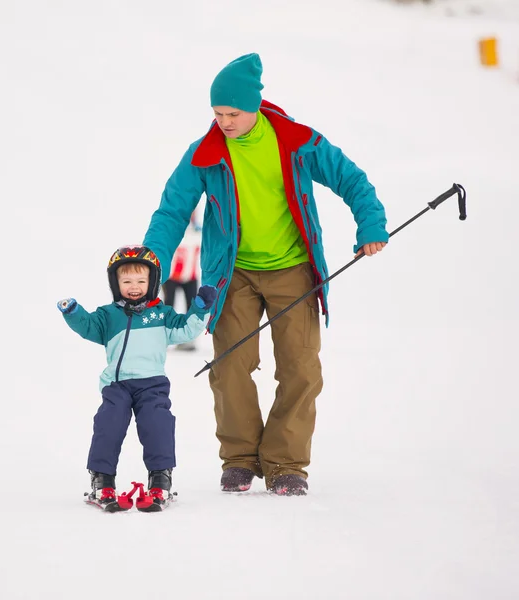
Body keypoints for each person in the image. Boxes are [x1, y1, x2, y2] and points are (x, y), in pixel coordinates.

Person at [143, 53, 388, 497]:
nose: (224, 122)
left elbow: (350, 178)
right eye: (217, 114)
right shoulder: (206, 152)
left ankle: (285, 463)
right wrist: (151, 262)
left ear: (254, 105)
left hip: (293, 267)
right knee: (229, 363)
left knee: (300, 367)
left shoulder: (295, 140)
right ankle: (238, 459)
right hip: (232, 272)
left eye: (232, 113)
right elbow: (172, 210)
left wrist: (369, 223)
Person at [57, 245, 217, 511]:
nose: (134, 287)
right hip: (117, 384)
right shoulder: (108, 315)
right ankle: (102, 480)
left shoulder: (162, 315)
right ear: (115, 283)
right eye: (127, 281)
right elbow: (88, 326)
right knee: (108, 424)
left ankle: (160, 478)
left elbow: (186, 330)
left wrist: (200, 308)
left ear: (152, 283)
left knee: (158, 424)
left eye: (141, 281)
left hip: (152, 384)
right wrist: (74, 313)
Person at [162, 213, 202, 351]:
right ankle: (163, 337)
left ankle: (188, 339)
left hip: (190, 277)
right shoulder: (171, 227)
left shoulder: (197, 230)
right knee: (168, 306)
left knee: (192, 308)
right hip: (171, 277)